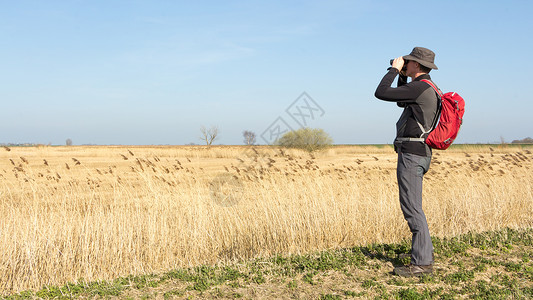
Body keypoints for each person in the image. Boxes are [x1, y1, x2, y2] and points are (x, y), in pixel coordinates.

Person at [374, 47, 440, 277]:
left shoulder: (420, 87)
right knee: (414, 206)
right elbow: (401, 101)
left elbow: (382, 92)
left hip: (412, 155)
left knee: (412, 208)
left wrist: (393, 70)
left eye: (408, 62)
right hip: (419, 152)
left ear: (417, 65)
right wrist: (402, 75)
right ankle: (421, 251)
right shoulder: (425, 87)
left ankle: (422, 263)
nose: (406, 64)